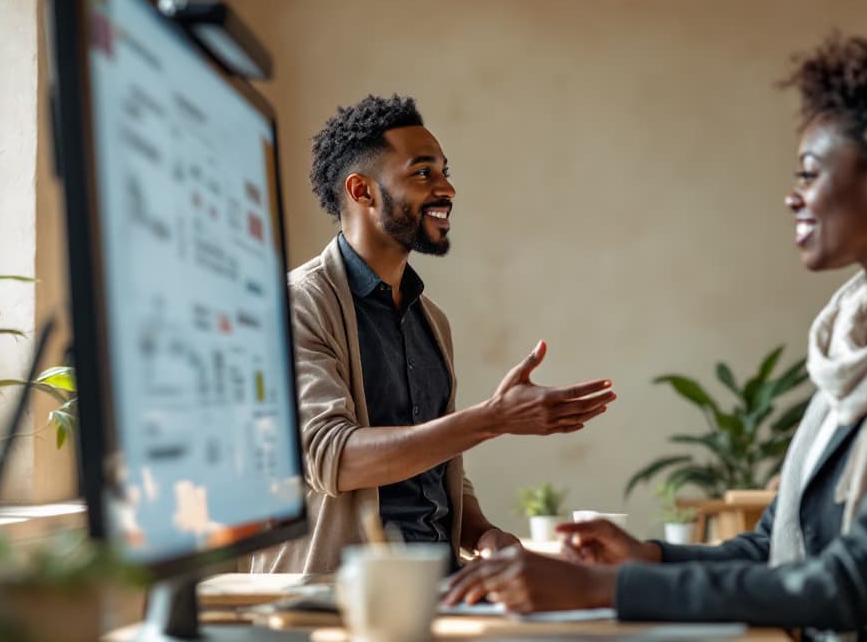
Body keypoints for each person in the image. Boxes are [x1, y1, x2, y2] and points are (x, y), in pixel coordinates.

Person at [442, 24, 867, 642]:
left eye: (810, 173)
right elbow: (778, 549)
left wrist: (604, 592)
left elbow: (854, 582)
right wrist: (646, 561)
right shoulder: (861, 346)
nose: (793, 196)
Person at [253, 94, 615, 574]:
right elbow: (334, 459)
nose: (446, 189)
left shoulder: (431, 319)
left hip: (440, 589)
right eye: (423, 173)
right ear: (362, 191)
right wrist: (492, 419)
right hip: (340, 603)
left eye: (445, 172)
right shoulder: (299, 303)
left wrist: (485, 535)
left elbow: (438, 469)